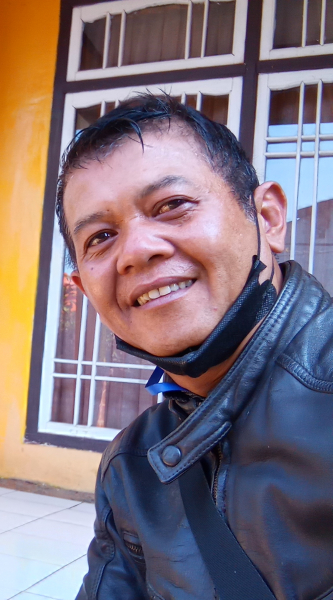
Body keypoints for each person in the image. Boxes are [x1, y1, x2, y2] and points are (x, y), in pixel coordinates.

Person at [55, 94, 333, 599]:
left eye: (172, 206)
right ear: (83, 287)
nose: (137, 250)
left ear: (268, 218)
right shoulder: (132, 467)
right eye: (100, 237)